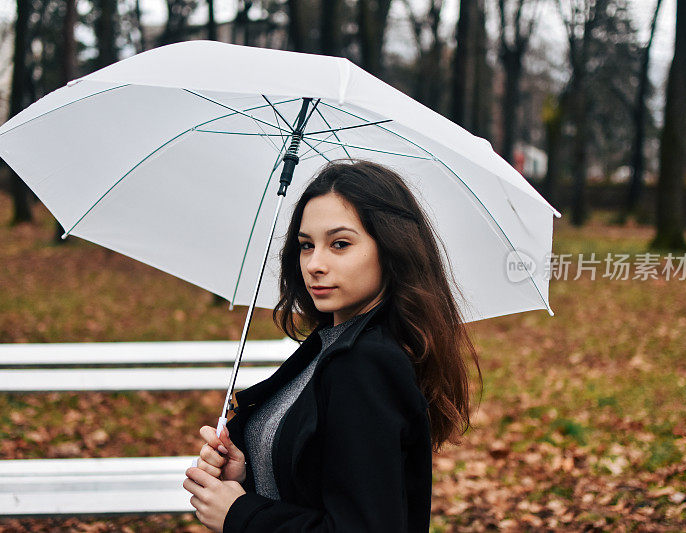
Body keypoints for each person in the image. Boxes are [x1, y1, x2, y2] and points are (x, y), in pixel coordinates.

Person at [183, 160, 481, 532]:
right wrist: (249, 471)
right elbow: (319, 483)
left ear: (391, 248)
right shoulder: (330, 346)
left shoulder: (366, 363)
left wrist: (241, 515)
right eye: (306, 246)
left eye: (339, 244)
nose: (314, 264)